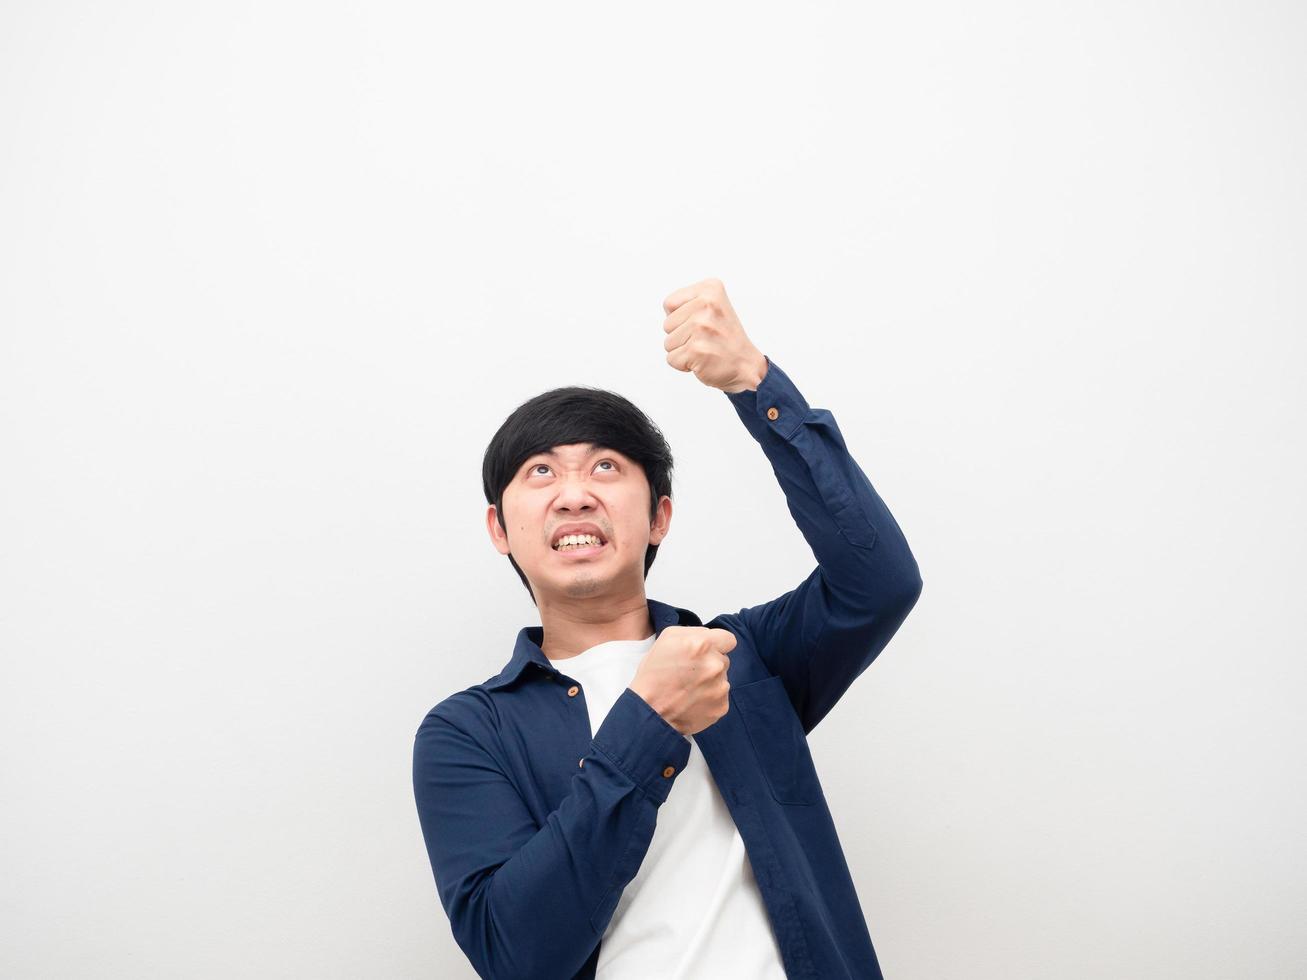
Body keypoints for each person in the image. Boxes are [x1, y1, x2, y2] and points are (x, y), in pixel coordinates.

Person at [413, 278, 924, 979]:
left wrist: (756, 383)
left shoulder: (742, 662)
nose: (573, 494)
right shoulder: (467, 733)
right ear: (500, 529)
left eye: (605, 466)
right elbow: (516, 955)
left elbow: (879, 581)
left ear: (659, 517)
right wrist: (646, 720)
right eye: (540, 472)